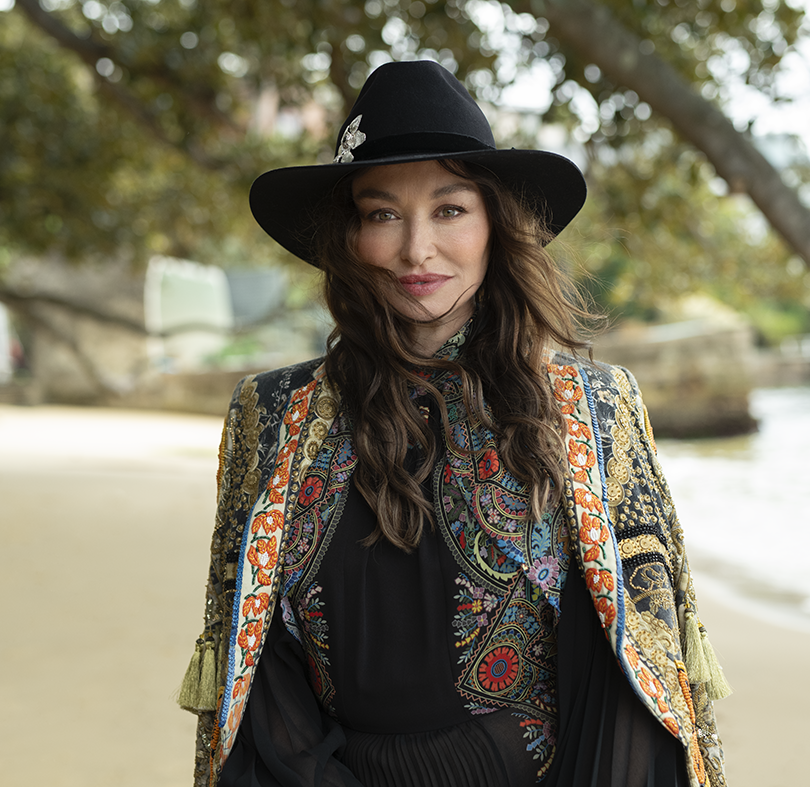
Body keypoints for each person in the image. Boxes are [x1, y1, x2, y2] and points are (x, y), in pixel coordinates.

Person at [179, 61, 730, 787]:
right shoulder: (273, 413)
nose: (416, 250)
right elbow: (255, 676)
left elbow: (637, 678)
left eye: (449, 209)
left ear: (495, 222)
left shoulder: (594, 407)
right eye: (382, 213)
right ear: (350, 234)